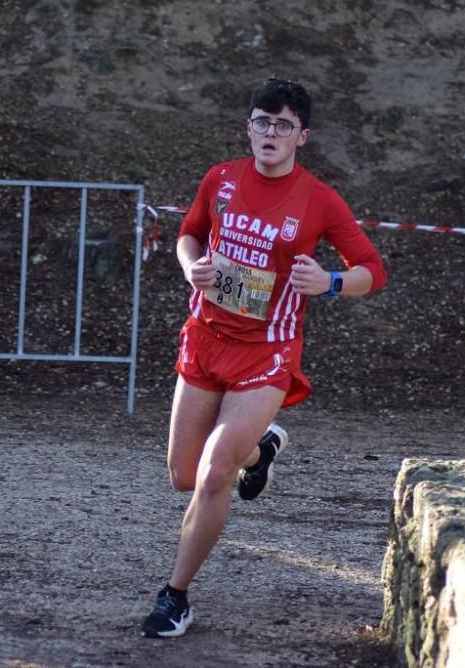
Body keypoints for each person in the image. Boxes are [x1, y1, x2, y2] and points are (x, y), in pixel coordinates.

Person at [141, 78, 388, 638]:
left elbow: (373, 270)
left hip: (267, 352)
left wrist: (328, 282)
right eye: (260, 122)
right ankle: (262, 449)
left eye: (281, 125)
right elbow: (189, 234)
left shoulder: (319, 199)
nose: (269, 133)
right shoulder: (221, 178)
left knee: (211, 477)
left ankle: (175, 596)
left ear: (303, 135)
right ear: (248, 127)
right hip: (205, 338)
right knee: (183, 475)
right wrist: (190, 265)